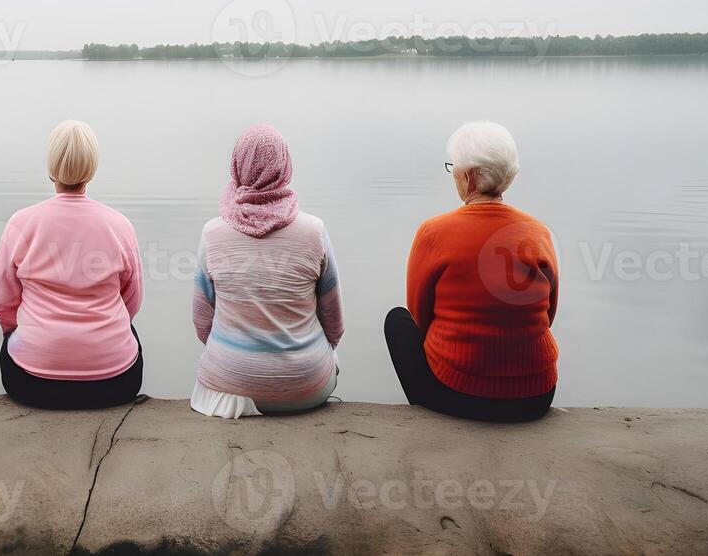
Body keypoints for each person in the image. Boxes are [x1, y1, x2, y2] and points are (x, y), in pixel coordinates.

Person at [385, 121, 558, 422]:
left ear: (469, 176)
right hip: (536, 397)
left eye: (453, 168)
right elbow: (549, 314)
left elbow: (419, 315)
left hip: (457, 395)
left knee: (397, 321)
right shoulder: (538, 232)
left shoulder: (433, 232)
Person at [0, 120, 143, 409]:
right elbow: (131, 301)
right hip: (116, 384)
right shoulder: (120, 225)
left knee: (12, 337)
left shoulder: (22, 223)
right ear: (92, 169)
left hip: (30, 384)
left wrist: (17, 328)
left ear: (50, 167)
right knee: (129, 331)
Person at [191, 124, 344, 418]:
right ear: (285, 167)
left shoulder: (212, 233)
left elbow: (202, 324)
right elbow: (335, 323)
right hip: (307, 387)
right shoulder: (314, 231)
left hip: (229, 386)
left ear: (236, 167)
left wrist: (238, 361)